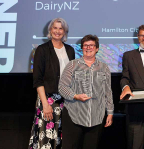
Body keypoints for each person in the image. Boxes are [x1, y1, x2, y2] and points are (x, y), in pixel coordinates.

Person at [59, 34, 114, 149]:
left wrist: (110, 112)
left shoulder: (104, 68)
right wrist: (75, 96)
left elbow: (108, 92)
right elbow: (62, 87)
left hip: (96, 118)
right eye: (85, 45)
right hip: (74, 116)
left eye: (91, 45)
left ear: (97, 48)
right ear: (82, 48)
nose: (88, 48)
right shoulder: (72, 65)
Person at [29, 18, 75, 149]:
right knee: (47, 139)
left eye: (61, 28)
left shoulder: (70, 50)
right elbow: (38, 79)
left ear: (65, 31)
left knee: (63, 137)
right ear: (50, 30)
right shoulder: (42, 50)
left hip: (66, 101)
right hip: (47, 99)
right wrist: (45, 104)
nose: (58, 31)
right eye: (55, 28)